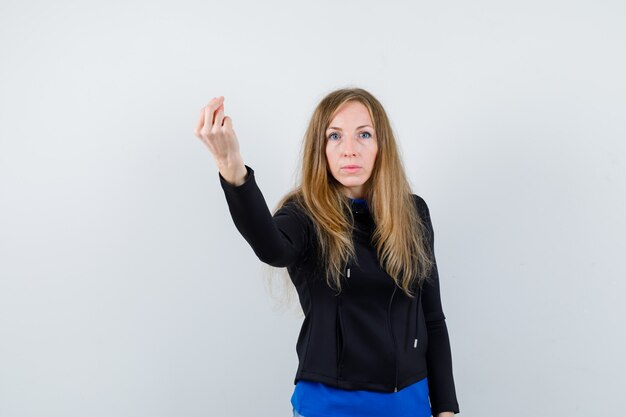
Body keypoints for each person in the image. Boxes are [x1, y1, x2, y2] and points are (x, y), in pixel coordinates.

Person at [193, 88, 460, 417]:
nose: (350, 150)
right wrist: (233, 171)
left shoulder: (413, 213)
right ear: (320, 149)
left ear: (381, 146)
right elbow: (271, 248)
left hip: (409, 403)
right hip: (329, 406)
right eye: (335, 136)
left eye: (364, 134)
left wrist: (446, 409)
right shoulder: (304, 214)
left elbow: (432, 319)